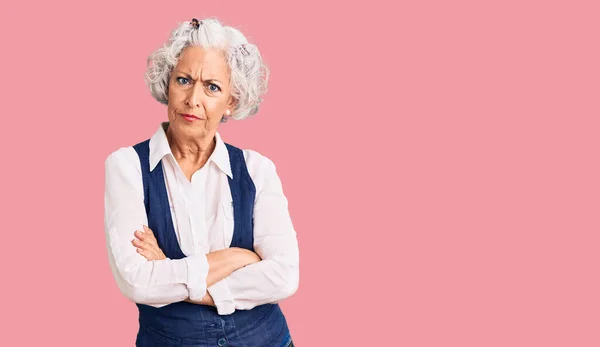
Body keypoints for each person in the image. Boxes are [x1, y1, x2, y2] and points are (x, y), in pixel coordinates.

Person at [104, 17, 299, 347]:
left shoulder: (258, 169)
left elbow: (284, 277)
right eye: (183, 80)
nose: (193, 99)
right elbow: (136, 282)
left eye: (212, 87)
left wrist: (168, 269)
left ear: (231, 102)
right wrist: (239, 259)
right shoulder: (127, 166)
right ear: (167, 84)